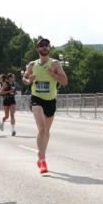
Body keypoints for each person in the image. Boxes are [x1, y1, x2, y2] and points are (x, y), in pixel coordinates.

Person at [23, 38, 68, 173]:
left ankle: (40, 154)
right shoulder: (32, 64)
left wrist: (53, 74)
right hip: (36, 98)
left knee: (46, 132)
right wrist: (28, 80)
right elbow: (24, 79)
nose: (44, 47)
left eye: (46, 45)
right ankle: (43, 160)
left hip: (50, 100)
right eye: (41, 45)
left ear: (49, 48)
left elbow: (65, 81)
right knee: (42, 129)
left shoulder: (55, 63)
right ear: (37, 49)